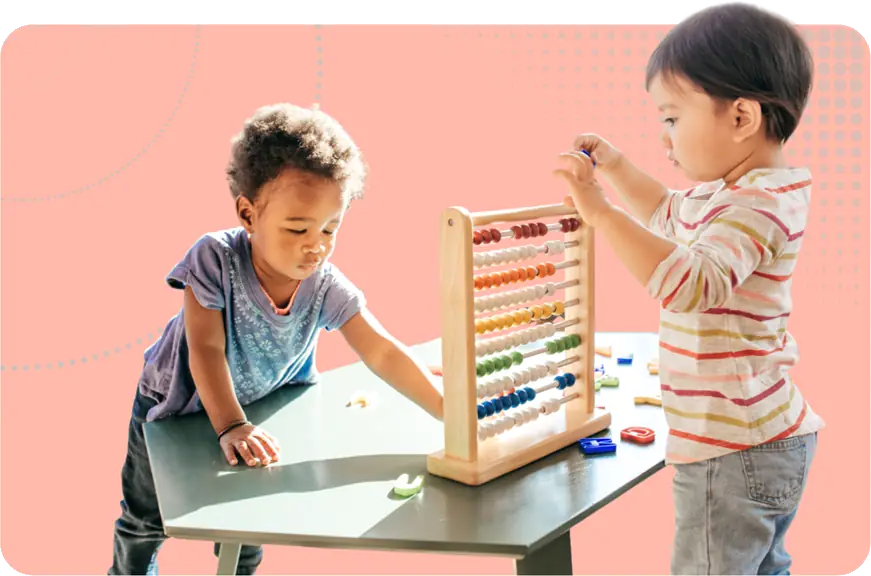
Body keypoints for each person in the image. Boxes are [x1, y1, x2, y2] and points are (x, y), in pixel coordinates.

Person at [109, 103, 444, 575]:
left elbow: (381, 349)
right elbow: (206, 348)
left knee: (246, 526)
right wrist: (229, 426)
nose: (317, 245)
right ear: (248, 213)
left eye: (331, 228)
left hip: (259, 408)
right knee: (146, 520)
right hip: (174, 408)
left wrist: (447, 411)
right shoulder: (214, 259)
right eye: (297, 228)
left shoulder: (326, 284)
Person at [553, 3, 825, 574]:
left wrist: (599, 211)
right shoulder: (734, 193)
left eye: (673, 118)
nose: (665, 136)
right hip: (761, 439)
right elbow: (667, 215)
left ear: (742, 117)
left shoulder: (757, 206)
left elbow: (691, 283)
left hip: (734, 452)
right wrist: (619, 168)